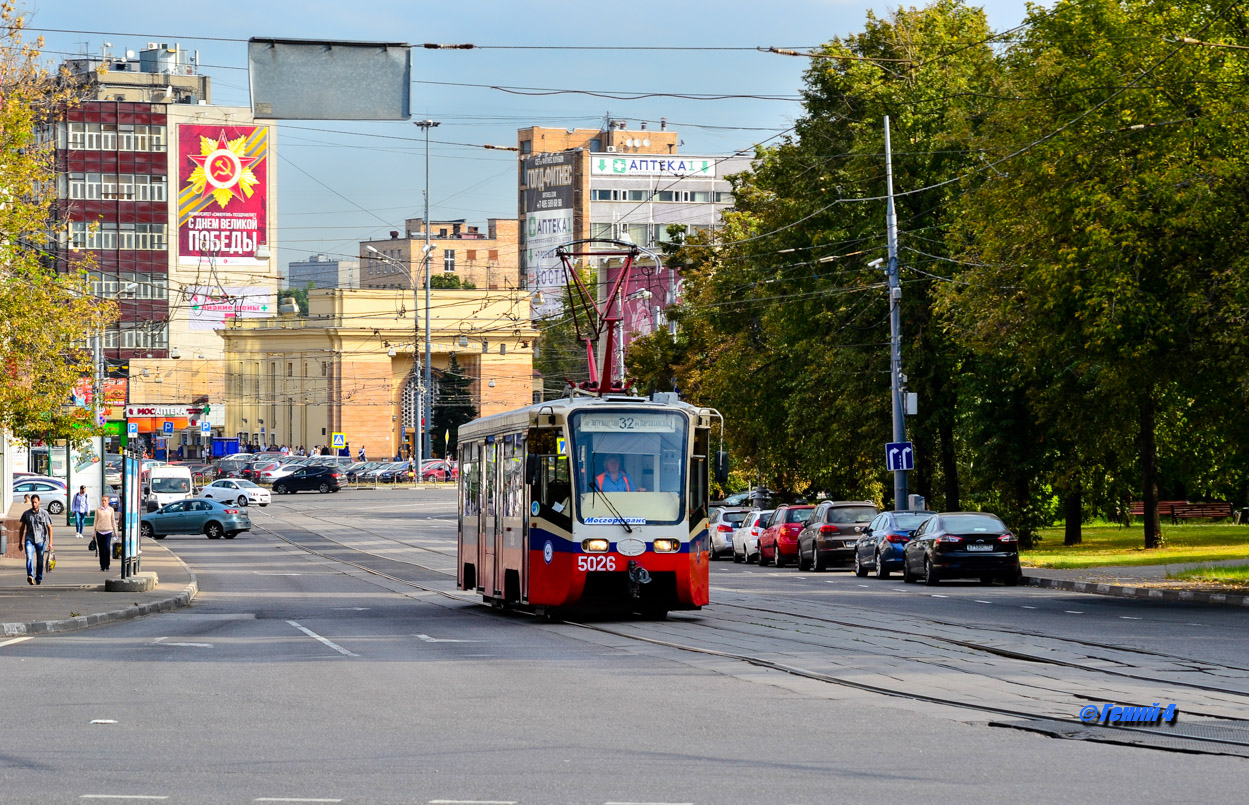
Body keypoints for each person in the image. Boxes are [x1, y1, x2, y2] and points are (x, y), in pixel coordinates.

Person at [18, 494, 54, 586]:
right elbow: (22, 528)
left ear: (39, 502)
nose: (34, 504)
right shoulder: (26, 514)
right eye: (32, 502)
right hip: (29, 539)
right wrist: (20, 542)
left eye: (35, 502)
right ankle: (30, 576)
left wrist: (50, 543)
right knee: (29, 557)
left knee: (40, 560)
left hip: (41, 540)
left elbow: (49, 528)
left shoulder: (44, 513)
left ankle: (39, 578)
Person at [93, 497, 118, 572]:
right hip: (99, 531)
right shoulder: (98, 510)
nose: (103, 502)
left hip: (108, 531)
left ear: (108, 501)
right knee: (101, 549)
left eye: (105, 500)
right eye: (102, 500)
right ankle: (102, 566)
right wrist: (93, 532)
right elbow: (95, 521)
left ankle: (107, 565)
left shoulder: (111, 510)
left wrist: (115, 531)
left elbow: (113, 520)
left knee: (107, 548)